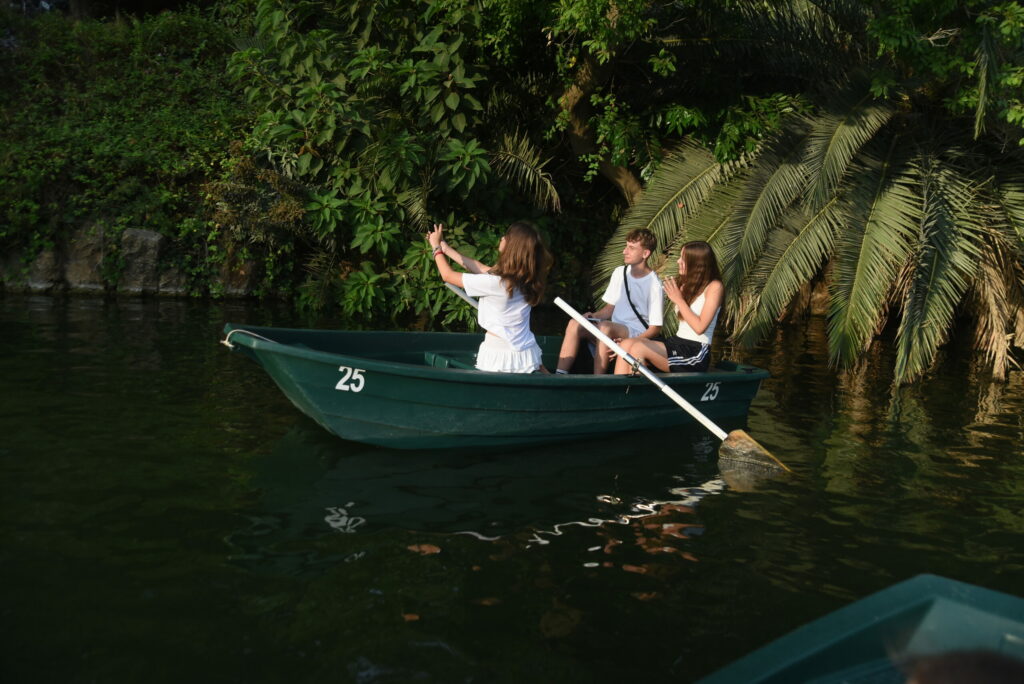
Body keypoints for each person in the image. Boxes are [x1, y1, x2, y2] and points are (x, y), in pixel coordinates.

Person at [427, 221, 551, 373]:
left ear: (512, 247)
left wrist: (436, 248)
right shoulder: (523, 279)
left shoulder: (496, 283)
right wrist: (446, 249)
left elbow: (447, 275)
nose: (502, 238)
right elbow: (479, 267)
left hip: (500, 354)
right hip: (525, 349)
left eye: (506, 237)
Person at [556, 229, 664, 374]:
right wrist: (593, 315)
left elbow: (655, 328)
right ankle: (559, 375)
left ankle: (598, 380)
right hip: (611, 328)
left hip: (635, 332)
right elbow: (609, 309)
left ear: (645, 254)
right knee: (575, 323)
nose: (624, 251)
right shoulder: (619, 272)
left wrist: (631, 342)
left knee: (605, 327)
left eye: (631, 248)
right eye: (626, 246)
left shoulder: (654, 284)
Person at [613, 240, 722, 375]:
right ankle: (619, 392)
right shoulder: (685, 285)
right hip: (676, 342)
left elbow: (700, 328)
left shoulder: (714, 287)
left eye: (683, 258)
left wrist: (679, 300)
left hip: (695, 352)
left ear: (696, 262)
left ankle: (632, 393)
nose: (678, 261)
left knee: (638, 348)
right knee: (626, 345)